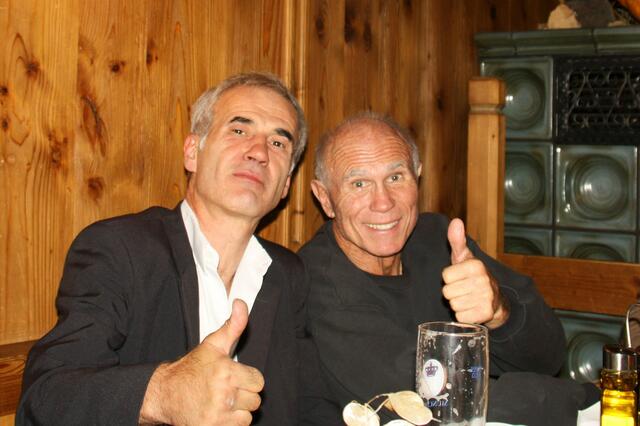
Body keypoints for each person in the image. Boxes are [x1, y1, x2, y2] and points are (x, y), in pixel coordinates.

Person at [17, 72, 308, 426]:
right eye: (238, 130)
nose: (259, 152)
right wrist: (163, 393)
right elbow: (44, 399)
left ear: (285, 185)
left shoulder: (289, 274)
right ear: (192, 152)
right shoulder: (119, 250)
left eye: (278, 143)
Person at [298, 113, 597, 425]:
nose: (383, 202)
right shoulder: (317, 281)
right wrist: (580, 397)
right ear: (325, 199)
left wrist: (500, 314)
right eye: (359, 184)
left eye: (396, 177)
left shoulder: (436, 239)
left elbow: (548, 355)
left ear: (417, 177)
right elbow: (434, 401)